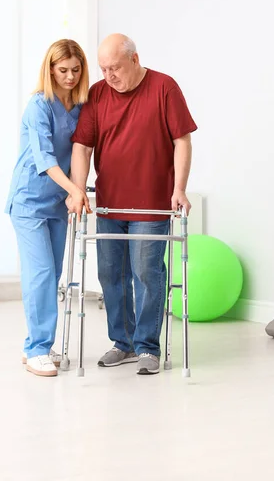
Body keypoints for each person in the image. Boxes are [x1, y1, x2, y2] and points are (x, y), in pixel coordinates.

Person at [68, 33, 197, 375]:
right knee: (111, 274)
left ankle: (147, 347)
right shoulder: (98, 94)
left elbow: (181, 140)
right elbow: (82, 146)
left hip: (152, 205)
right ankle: (122, 343)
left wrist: (179, 188)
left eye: (115, 68)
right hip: (110, 204)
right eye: (103, 69)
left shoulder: (164, 87)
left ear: (135, 60)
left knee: (146, 272)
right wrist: (78, 189)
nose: (108, 76)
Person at [5, 39, 90, 377]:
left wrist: (74, 192)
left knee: (51, 275)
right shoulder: (38, 106)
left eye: (75, 70)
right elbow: (45, 158)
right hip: (28, 201)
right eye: (63, 70)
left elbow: (82, 151)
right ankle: (36, 348)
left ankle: (37, 345)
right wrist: (75, 190)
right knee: (40, 274)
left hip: (57, 201)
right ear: (50, 70)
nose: (69, 76)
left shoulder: (81, 106)